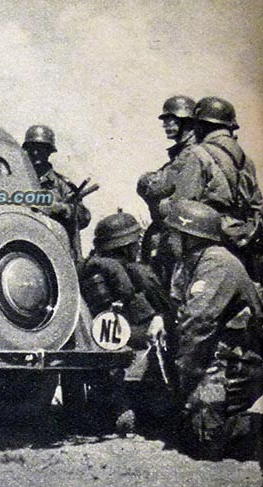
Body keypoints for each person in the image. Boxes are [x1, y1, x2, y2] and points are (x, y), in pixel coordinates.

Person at [164, 199, 262, 459]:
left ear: (189, 236)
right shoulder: (190, 262)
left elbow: (197, 325)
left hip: (240, 360)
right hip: (219, 357)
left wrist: (186, 381)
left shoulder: (216, 263)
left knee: (204, 439)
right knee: (178, 425)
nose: (168, 239)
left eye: (173, 233)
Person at [77, 210, 175, 432]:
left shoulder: (92, 269)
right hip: (131, 337)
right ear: (127, 245)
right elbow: (163, 307)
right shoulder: (134, 271)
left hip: (102, 339)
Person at [137, 95, 231, 287]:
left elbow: (157, 186)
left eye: (172, 120)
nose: (166, 125)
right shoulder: (184, 152)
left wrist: (146, 181)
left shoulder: (190, 153)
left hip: (189, 232)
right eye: (165, 120)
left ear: (187, 122)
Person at [192, 96, 263, 282]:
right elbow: (257, 205)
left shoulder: (198, 154)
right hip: (243, 239)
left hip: (209, 239)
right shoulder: (246, 160)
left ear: (201, 125)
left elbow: (185, 204)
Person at [22, 125, 91, 259]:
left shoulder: (61, 184)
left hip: (58, 250)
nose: (35, 153)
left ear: (48, 152)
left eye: (40, 148)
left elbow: (84, 217)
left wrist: (64, 209)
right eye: (32, 148)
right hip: (27, 248)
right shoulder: (19, 182)